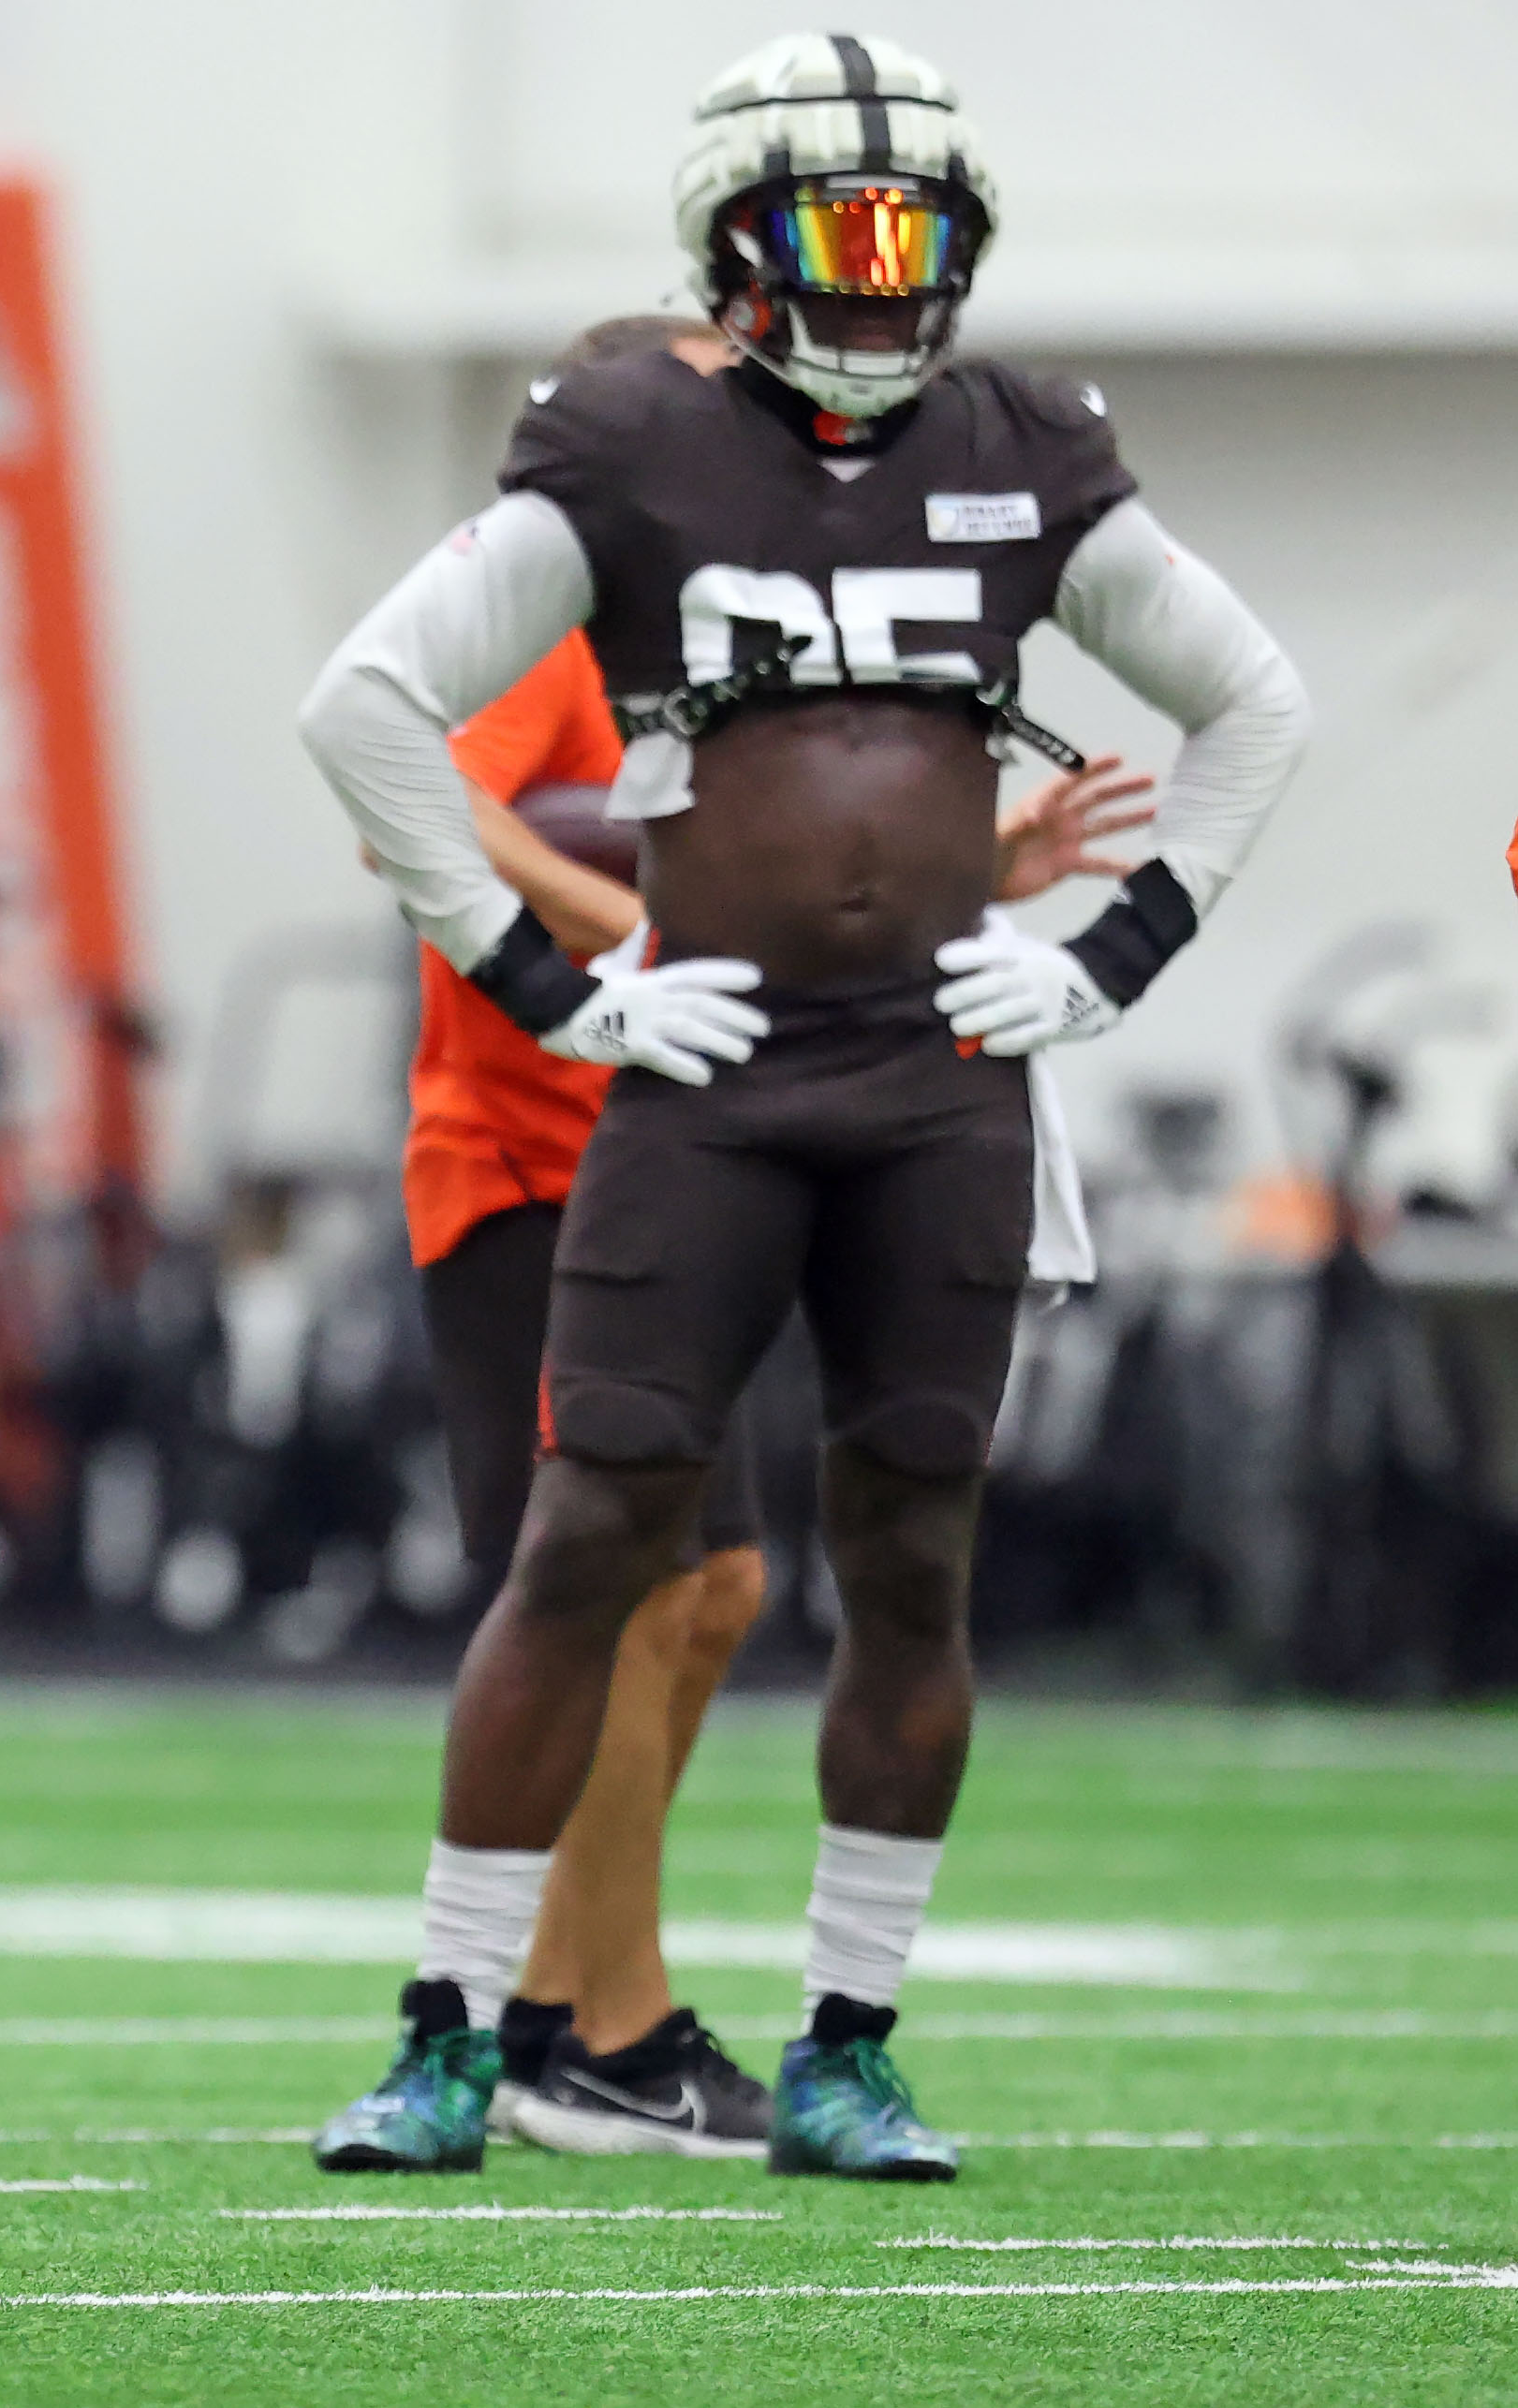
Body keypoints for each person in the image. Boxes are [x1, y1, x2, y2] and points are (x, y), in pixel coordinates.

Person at [298, 35, 1307, 2182]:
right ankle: (456, 2030)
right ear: (730, 250)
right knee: (591, 1544)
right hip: (722, 1075)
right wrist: (550, 984)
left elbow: (1252, 701)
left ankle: (848, 2039)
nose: (877, 278)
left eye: (911, 236)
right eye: (834, 236)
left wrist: (1113, 952)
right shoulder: (635, 438)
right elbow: (366, 705)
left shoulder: (1029, 444)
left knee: (910, 1557)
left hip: (939, 1076)